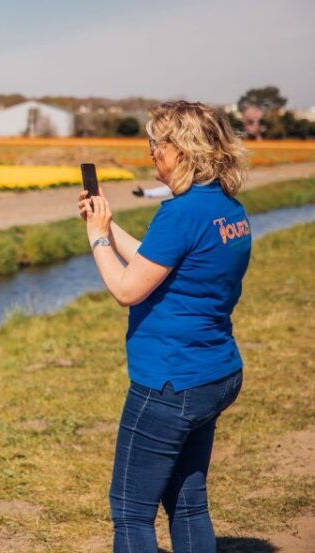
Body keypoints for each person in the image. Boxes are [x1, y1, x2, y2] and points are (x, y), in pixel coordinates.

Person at [77, 101, 250, 553]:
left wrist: (95, 238)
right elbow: (161, 262)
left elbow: (128, 289)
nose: (151, 151)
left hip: (169, 383)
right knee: (189, 503)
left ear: (183, 150)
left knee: (132, 512)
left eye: (156, 142)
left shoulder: (180, 213)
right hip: (215, 372)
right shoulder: (227, 208)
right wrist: (109, 226)